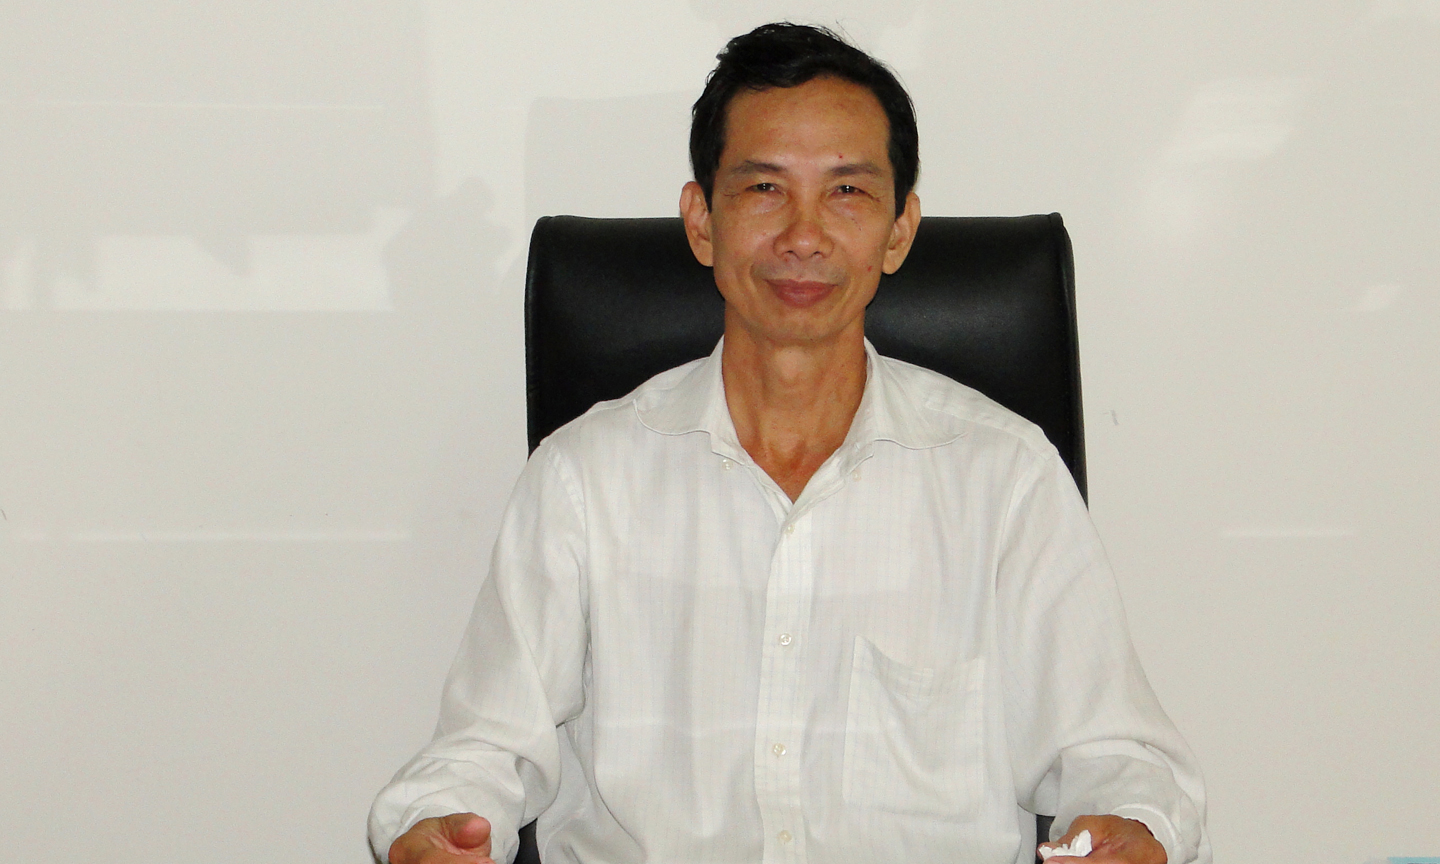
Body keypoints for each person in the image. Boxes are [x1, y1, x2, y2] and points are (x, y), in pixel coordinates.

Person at [370, 23, 1210, 864]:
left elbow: (1116, 757)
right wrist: (438, 829)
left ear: (899, 231)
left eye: (847, 192)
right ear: (702, 221)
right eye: (765, 188)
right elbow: (480, 752)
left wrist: (1132, 829)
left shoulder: (1005, 478)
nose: (803, 236)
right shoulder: (584, 479)